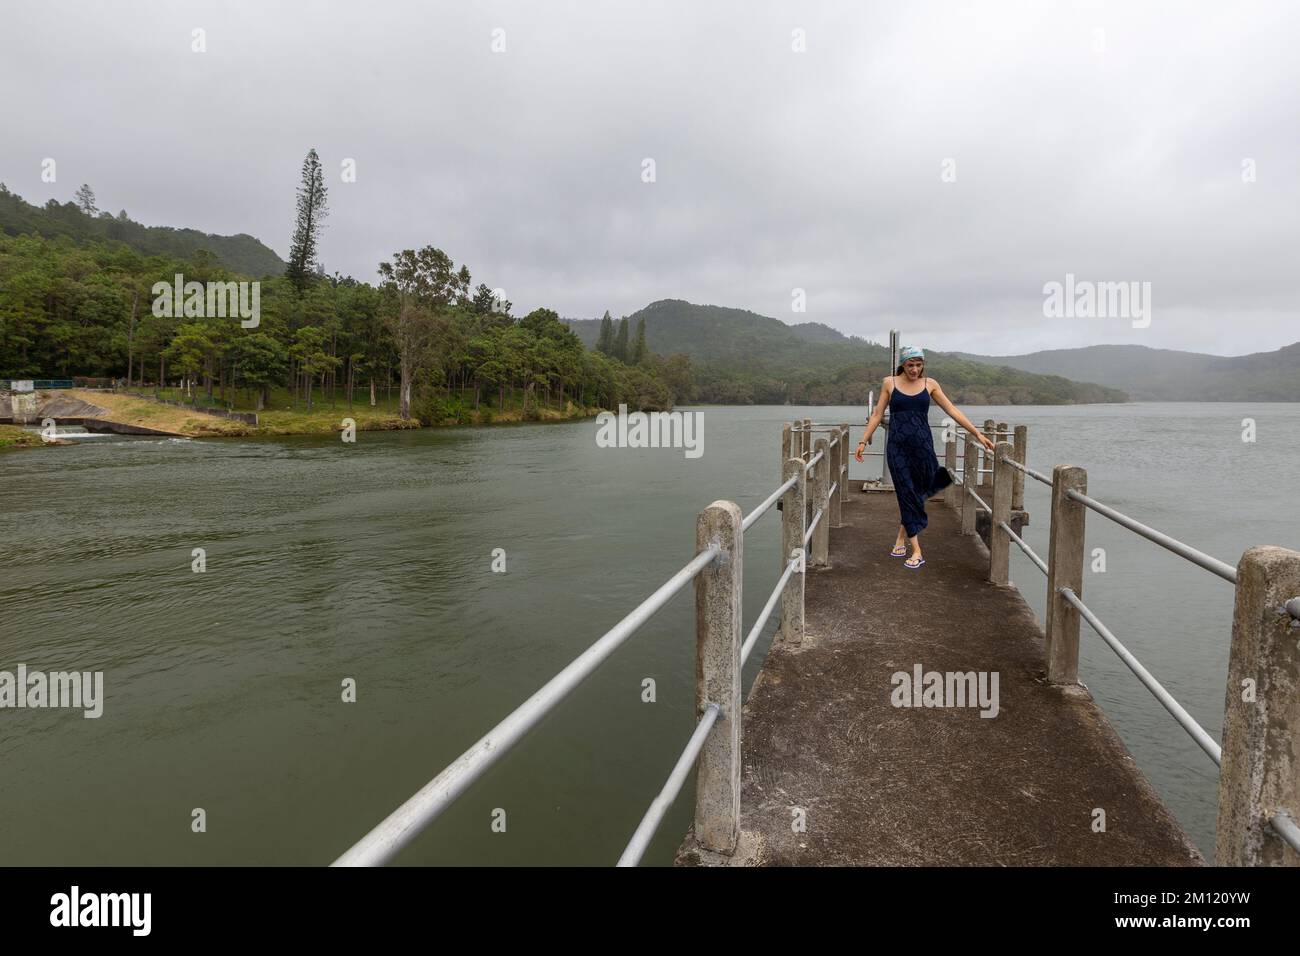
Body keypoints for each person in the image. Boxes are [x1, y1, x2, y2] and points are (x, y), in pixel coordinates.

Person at [853, 346, 994, 569]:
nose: (915, 370)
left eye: (919, 365)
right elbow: (877, 414)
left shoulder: (931, 384)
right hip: (897, 447)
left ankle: (901, 536)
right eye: (910, 365)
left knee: (923, 489)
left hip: (923, 447)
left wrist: (977, 433)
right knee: (906, 492)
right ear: (903, 364)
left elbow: (952, 411)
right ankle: (917, 550)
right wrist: (863, 440)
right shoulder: (889, 383)